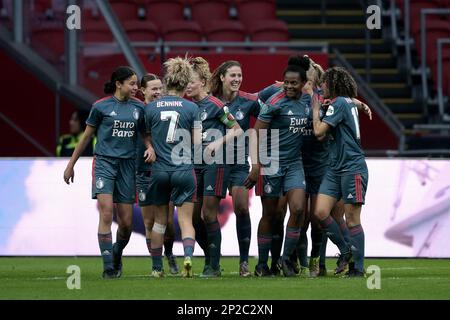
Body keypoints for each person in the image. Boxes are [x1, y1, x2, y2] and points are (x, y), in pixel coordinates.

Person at [63, 66, 153, 279]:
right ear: (118, 84)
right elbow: (85, 138)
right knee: (105, 213)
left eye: (136, 83)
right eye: (131, 83)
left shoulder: (139, 108)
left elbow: (144, 135)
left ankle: (116, 252)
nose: (135, 87)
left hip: (128, 166)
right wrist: (70, 165)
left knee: (126, 225)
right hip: (104, 163)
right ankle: (108, 267)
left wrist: (149, 146)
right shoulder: (100, 107)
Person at [245, 56, 312, 277]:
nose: (290, 86)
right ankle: (262, 264)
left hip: (294, 164)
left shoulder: (309, 101)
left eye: (294, 83)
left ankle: (284, 259)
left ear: (303, 83)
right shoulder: (274, 102)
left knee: (299, 209)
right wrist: (255, 165)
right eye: (287, 82)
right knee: (271, 215)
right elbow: (255, 133)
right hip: (270, 164)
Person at [143, 57, 200, 278]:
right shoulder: (191, 107)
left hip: (159, 172)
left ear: (166, 84)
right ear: (185, 85)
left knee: (159, 222)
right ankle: (187, 257)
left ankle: (157, 268)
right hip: (184, 170)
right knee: (186, 220)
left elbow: (145, 135)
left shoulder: (151, 108)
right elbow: (196, 143)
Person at [186, 57, 243, 277]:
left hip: (216, 165)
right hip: (194, 165)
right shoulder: (187, 106)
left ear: (202, 81)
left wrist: (216, 144)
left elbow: (237, 129)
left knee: (208, 214)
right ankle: (211, 257)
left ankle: (214, 266)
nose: (188, 86)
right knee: (193, 218)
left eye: (191, 82)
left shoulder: (216, 105)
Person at [312, 66, 369, 277]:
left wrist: (315, 111)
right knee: (320, 213)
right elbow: (349, 102)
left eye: (324, 84)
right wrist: (361, 104)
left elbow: (318, 131)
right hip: (335, 168)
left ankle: (358, 268)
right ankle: (346, 251)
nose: (321, 87)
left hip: (352, 167)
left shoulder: (337, 103)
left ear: (333, 84)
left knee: (352, 218)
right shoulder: (345, 101)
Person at [209, 60, 260, 277]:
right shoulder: (210, 101)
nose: (237, 79)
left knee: (241, 208)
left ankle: (244, 262)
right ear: (221, 77)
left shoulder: (249, 101)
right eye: (233, 75)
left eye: (240, 75)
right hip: (212, 165)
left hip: (239, 165)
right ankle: (212, 262)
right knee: (205, 215)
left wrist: (257, 162)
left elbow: (268, 115)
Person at [135, 74, 180, 275]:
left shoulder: (166, 109)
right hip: (143, 171)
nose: (158, 92)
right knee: (148, 222)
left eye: (160, 88)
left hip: (164, 170)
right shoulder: (136, 111)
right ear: (142, 90)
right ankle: (156, 264)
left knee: (168, 222)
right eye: (153, 89)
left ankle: (169, 253)